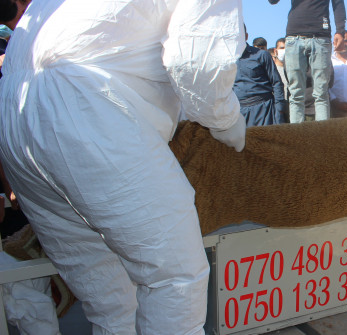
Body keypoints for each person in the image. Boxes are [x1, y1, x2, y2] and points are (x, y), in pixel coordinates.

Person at [0, 0, 246, 334]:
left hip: (15, 118)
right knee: (174, 277)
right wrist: (228, 122)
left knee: (112, 301)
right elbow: (197, 65)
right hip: (88, 109)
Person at [268, 0, 346, 123]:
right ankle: (297, 137)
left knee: (321, 93)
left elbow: (338, 3)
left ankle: (321, 138)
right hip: (294, 37)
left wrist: (340, 30)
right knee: (295, 93)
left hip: (320, 36)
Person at [234, 26, 286, 126]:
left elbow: (276, 82)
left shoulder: (261, 55)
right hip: (239, 114)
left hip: (264, 111)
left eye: (239, 34)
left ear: (246, 36)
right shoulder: (226, 60)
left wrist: (279, 110)